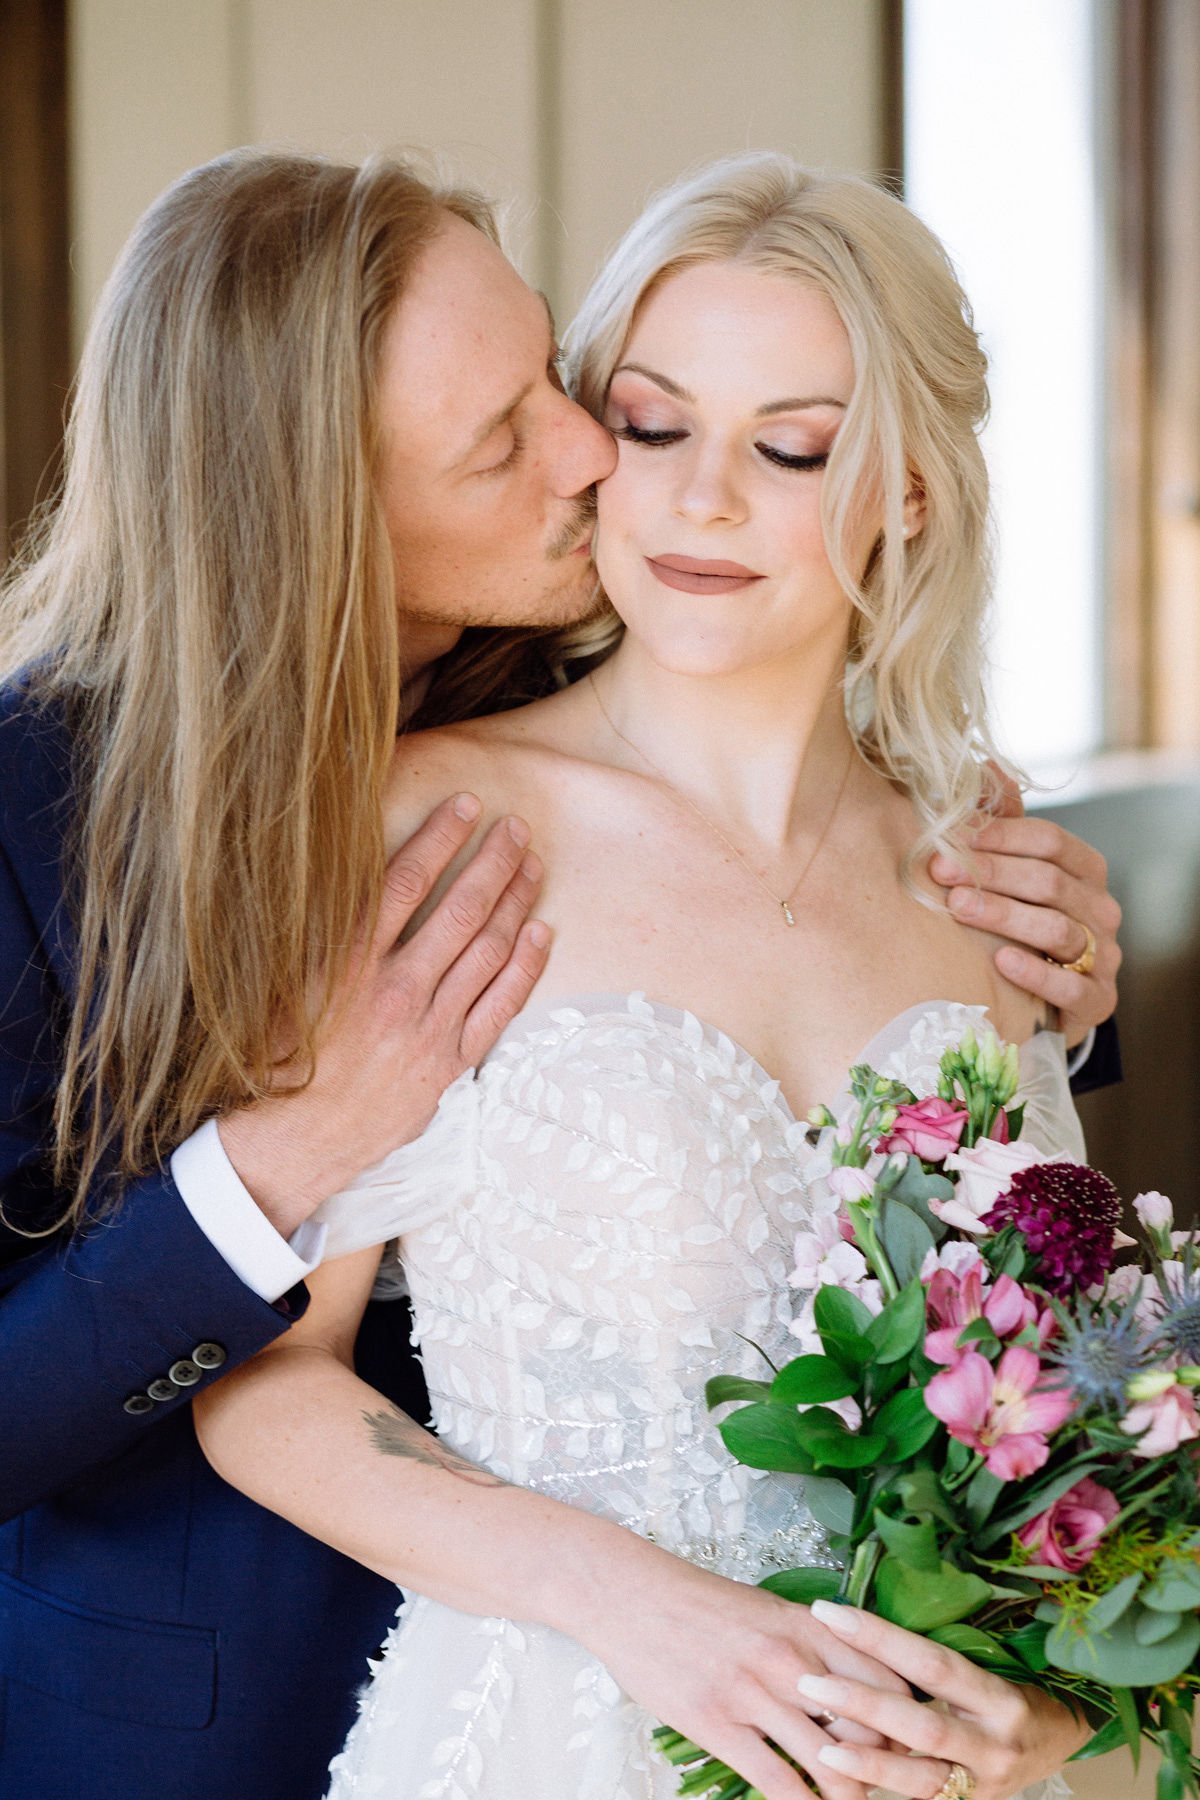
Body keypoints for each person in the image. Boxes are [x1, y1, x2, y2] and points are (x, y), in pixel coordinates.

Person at [0, 150, 1117, 1799]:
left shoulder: (909, 820)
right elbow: (246, 1382)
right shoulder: (174, 815)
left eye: (561, 382)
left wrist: (1062, 987)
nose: (613, 463)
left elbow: (1020, 1330)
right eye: (542, 433)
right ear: (325, 512)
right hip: (313, 1698)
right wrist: (277, 1169)